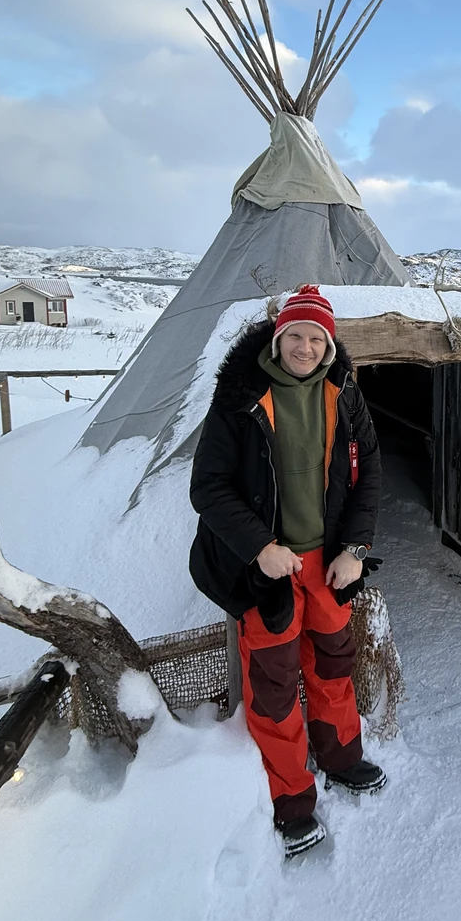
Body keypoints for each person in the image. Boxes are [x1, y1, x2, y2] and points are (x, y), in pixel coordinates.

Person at [189, 285, 384, 858]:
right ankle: (290, 796)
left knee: (332, 662)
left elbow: (368, 470)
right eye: (295, 335)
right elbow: (209, 487)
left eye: (316, 337)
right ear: (278, 339)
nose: (305, 346)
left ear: (329, 344)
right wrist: (260, 547)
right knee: (273, 683)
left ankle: (341, 756)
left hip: (327, 561)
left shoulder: (343, 394)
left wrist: (355, 546)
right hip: (269, 567)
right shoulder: (240, 398)